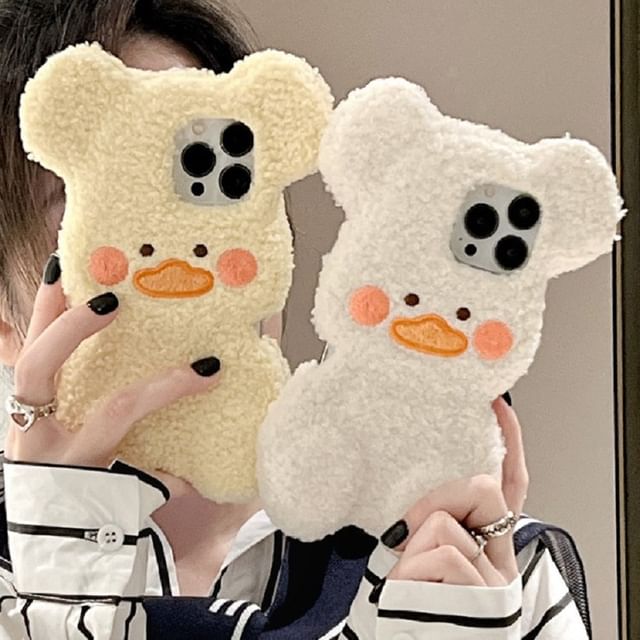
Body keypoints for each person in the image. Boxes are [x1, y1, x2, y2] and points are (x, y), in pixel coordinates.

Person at [0, 1, 591, 638]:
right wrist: (61, 546)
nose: (189, 231)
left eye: (222, 179)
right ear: (4, 323)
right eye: (115, 192)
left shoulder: (485, 568)